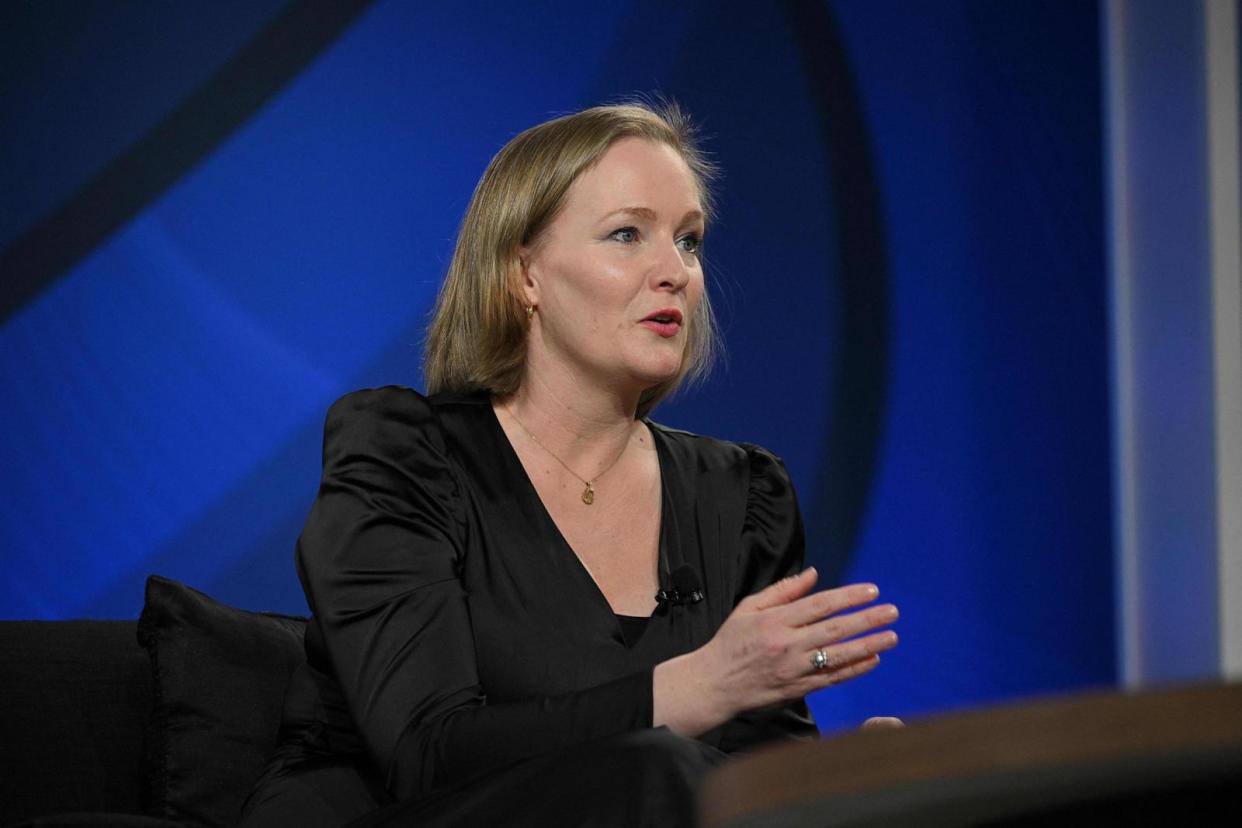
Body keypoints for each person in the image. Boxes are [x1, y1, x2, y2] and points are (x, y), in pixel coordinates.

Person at [240, 101, 899, 827]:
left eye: (689, 242)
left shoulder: (741, 496)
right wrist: (694, 688)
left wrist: (835, 785)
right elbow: (425, 752)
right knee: (658, 767)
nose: (674, 272)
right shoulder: (405, 454)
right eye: (627, 234)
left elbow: (750, 772)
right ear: (525, 274)